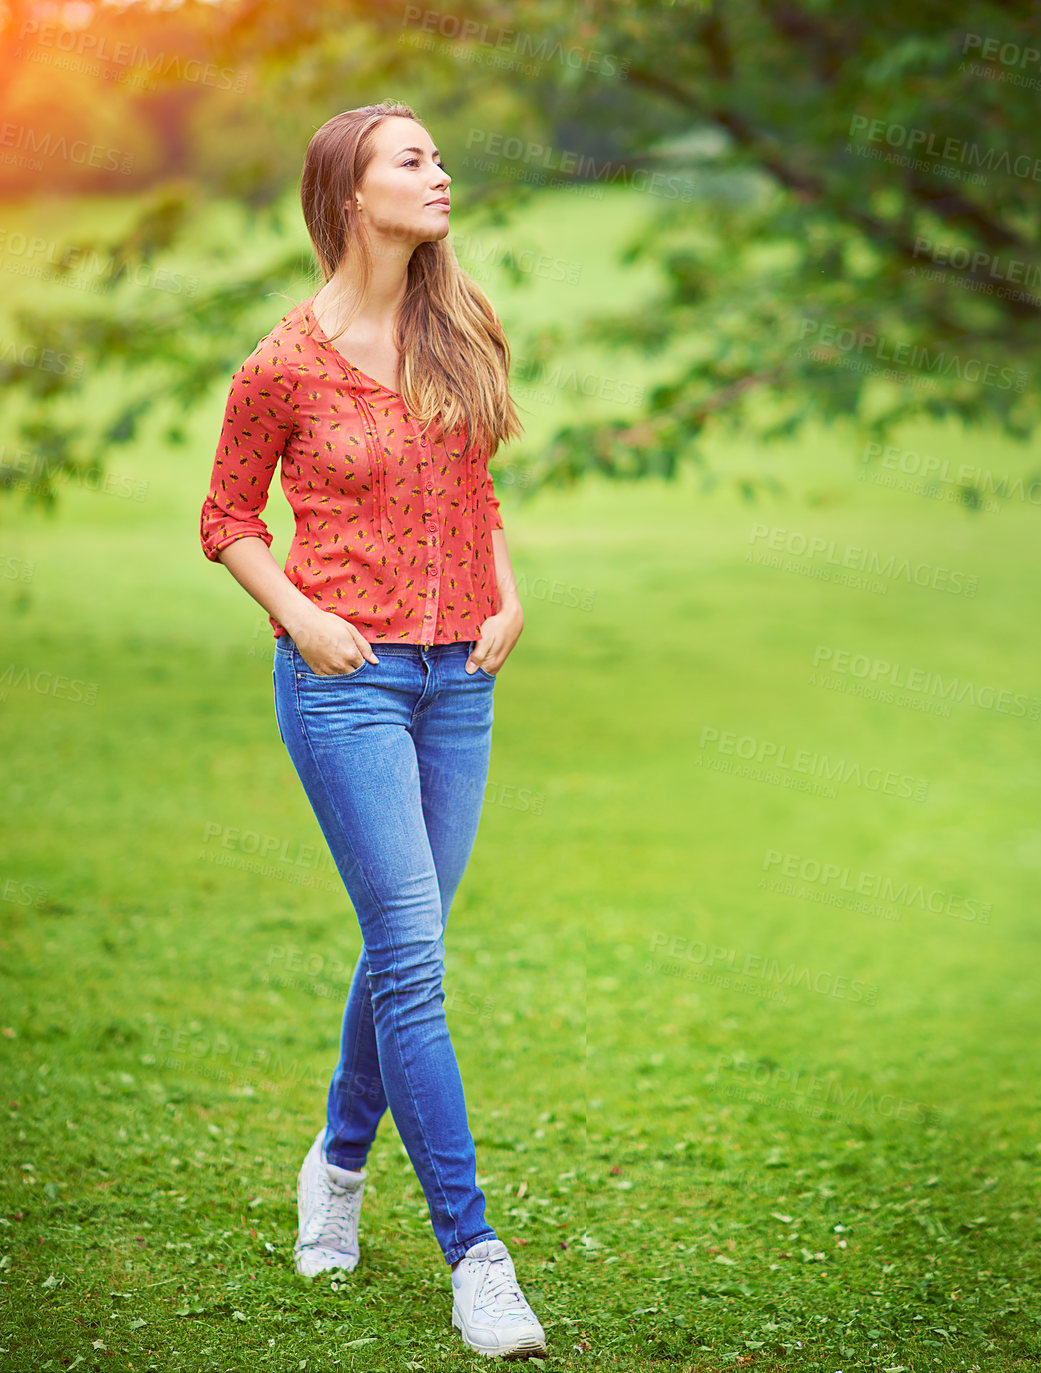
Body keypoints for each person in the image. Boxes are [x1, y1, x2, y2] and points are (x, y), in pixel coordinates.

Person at [198, 100, 547, 1360]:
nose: (441, 174)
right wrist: (300, 615)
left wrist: (506, 588)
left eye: (440, 156)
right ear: (353, 192)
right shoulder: (282, 361)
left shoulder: (456, 323)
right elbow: (226, 517)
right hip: (344, 683)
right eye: (415, 160)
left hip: (461, 679)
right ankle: (476, 1257)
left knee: (405, 943)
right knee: (410, 955)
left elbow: (477, 481)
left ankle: (338, 1162)